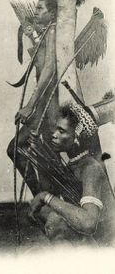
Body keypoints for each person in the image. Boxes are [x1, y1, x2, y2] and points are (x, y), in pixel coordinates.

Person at [7, 0, 87, 196]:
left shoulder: (52, 30)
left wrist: (30, 105)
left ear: (52, 13)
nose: (35, 11)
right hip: (44, 103)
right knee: (32, 151)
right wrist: (32, 35)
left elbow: (49, 69)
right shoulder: (47, 32)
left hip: (48, 104)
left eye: (40, 8)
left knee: (46, 154)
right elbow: (43, 61)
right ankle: (44, 199)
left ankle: (58, 200)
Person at [28, 104, 115, 245]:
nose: (54, 135)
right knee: (46, 214)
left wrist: (46, 197)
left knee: (55, 221)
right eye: (56, 129)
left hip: (106, 248)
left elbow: (88, 223)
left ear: (77, 137)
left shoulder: (90, 168)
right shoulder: (74, 164)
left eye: (61, 131)